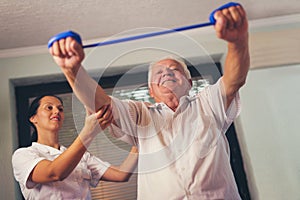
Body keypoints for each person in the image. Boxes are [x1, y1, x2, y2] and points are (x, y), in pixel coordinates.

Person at [49, 3, 249, 200]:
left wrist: (237, 42)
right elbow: (102, 105)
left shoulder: (208, 103)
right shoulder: (140, 114)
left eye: (174, 69)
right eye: (159, 73)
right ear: (151, 91)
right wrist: (72, 70)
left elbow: (234, 80)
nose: (167, 72)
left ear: (188, 83)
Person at [12, 94, 138, 200]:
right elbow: (54, 173)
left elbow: (121, 174)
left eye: (60, 109)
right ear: (33, 118)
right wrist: (88, 132)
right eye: (49, 107)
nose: (56, 111)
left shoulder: (81, 156)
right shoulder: (23, 155)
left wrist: (139, 139)